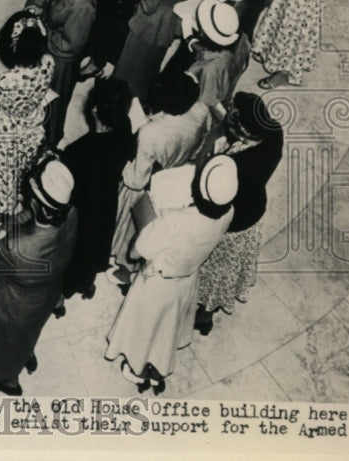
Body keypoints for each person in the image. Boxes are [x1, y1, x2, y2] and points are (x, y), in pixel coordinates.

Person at [105, 155, 237, 394]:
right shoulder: (228, 213)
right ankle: (158, 370)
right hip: (187, 280)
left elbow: (136, 252)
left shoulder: (176, 220)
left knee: (145, 328)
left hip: (158, 282)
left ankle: (137, 370)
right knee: (167, 330)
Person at [0, 156, 77, 396]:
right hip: (46, 294)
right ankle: (24, 355)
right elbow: (33, 215)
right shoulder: (71, 215)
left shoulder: (18, 248)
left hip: (12, 305)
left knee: (0, 340)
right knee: (25, 334)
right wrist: (12, 225)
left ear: (37, 203)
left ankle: (6, 379)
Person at [194, 93, 284, 334]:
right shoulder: (274, 131)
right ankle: (207, 313)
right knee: (227, 271)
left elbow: (211, 201)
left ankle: (203, 315)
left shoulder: (236, 166)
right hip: (254, 212)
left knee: (214, 271)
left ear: (240, 133)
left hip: (232, 222)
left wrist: (216, 155)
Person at [109, 71, 211, 277]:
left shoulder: (150, 132)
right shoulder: (202, 111)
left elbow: (136, 181)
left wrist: (124, 165)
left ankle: (121, 262)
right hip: (175, 171)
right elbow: (200, 145)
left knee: (127, 226)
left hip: (147, 184)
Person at [55, 77, 134, 308]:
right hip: (106, 201)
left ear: (95, 109)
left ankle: (60, 298)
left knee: (73, 252)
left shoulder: (78, 150)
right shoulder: (125, 128)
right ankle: (86, 283)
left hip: (81, 208)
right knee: (95, 246)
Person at [0, 12, 54, 231]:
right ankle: (8, 217)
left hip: (4, 134)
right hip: (29, 128)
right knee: (17, 173)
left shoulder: (6, 80)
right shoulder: (49, 63)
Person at [32, 0, 98, 146]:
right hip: (53, 46)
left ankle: (48, 142)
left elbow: (70, 44)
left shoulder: (83, 4)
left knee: (53, 104)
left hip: (60, 62)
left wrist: (44, 33)